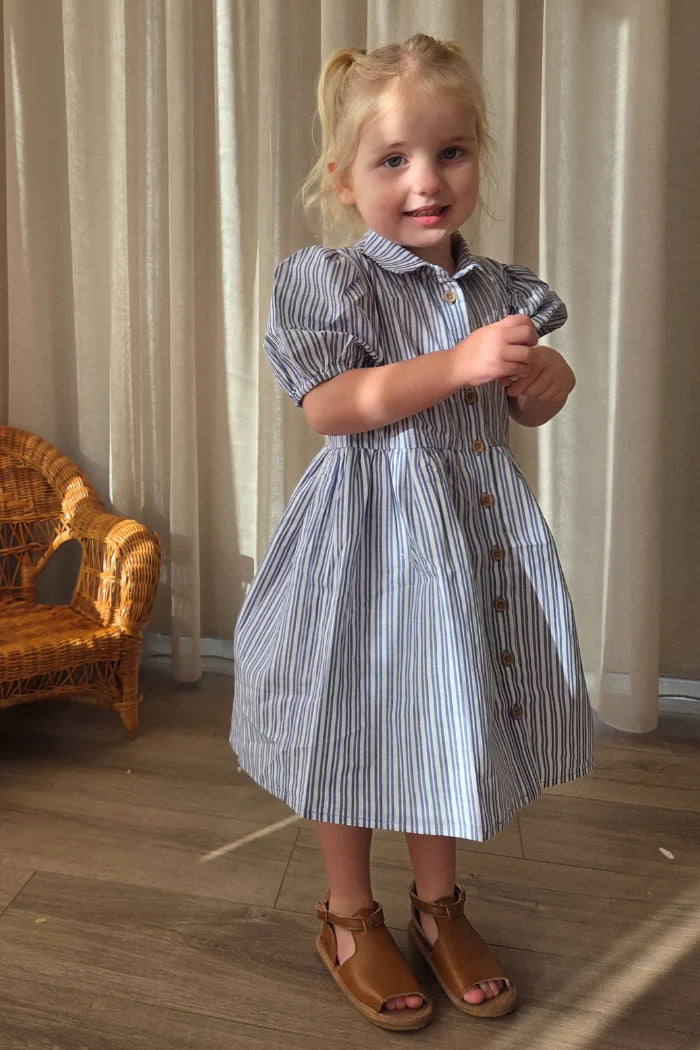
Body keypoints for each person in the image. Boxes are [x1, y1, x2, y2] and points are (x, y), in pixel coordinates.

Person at [231, 33, 594, 1032]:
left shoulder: (500, 290)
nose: (425, 181)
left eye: (450, 152)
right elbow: (331, 404)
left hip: (464, 552)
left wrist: (540, 384)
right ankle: (349, 916)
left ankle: (439, 906)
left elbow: (518, 410)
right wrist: (460, 364)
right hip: (362, 551)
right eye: (392, 160)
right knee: (346, 728)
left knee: (445, 722)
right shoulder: (332, 282)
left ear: (478, 157)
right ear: (345, 180)